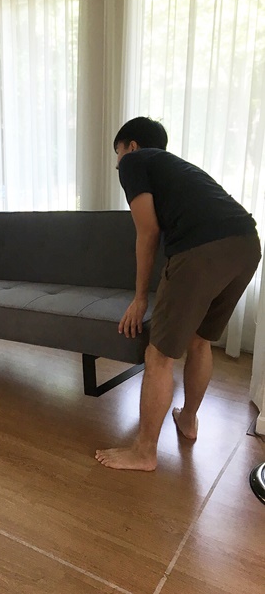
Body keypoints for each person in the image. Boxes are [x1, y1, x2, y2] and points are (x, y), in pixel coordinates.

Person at [95, 117, 261, 471]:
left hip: (201, 250)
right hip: (247, 244)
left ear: (131, 146)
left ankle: (144, 453)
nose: (117, 163)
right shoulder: (177, 169)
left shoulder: (134, 162)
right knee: (200, 341)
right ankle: (188, 420)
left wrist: (140, 298)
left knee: (159, 355)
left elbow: (148, 232)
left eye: (117, 152)